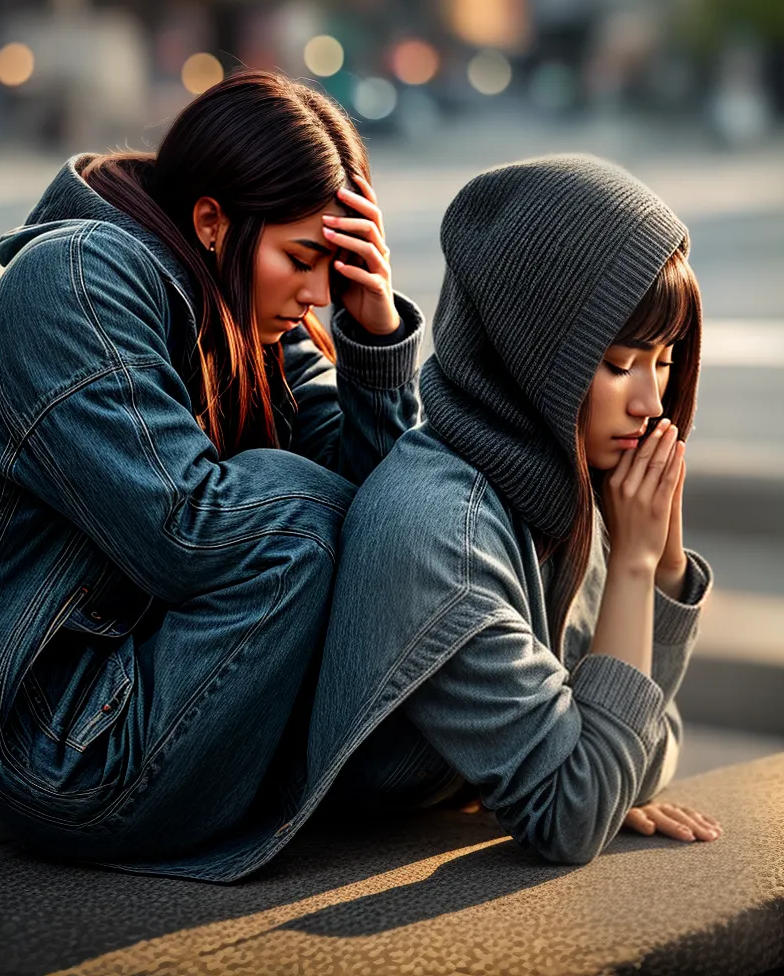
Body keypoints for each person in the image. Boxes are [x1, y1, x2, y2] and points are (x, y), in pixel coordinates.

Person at [0, 70, 424, 881]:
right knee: (296, 522)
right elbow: (189, 536)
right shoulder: (77, 281)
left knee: (461, 501)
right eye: (305, 259)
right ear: (212, 221)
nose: (317, 294)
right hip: (70, 748)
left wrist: (374, 332)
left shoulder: (255, 320)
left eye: (337, 267)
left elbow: (393, 515)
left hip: (185, 693)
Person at [306, 154, 721, 865]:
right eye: (619, 364)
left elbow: (648, 750)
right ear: (531, 355)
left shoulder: (550, 484)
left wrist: (666, 569)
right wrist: (635, 567)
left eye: (665, 359)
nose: (652, 403)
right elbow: (572, 816)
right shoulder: (442, 536)